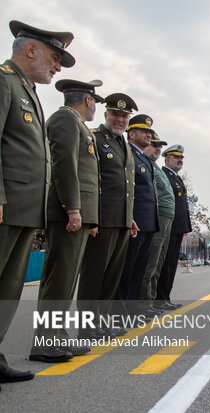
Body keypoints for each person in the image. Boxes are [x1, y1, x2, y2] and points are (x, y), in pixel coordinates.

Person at [0, 20, 75, 383]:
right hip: (6, 205)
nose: (57, 66)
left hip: (24, 209)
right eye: (54, 56)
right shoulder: (3, 81)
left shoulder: (26, 89)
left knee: (8, 290)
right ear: (31, 50)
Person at [29, 79, 103, 363]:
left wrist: (89, 215)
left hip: (79, 213)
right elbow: (64, 166)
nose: (94, 106)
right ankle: (45, 341)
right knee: (58, 278)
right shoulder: (64, 120)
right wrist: (73, 208)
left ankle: (56, 336)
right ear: (87, 101)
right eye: (95, 102)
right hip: (66, 212)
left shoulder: (77, 124)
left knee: (67, 278)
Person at [77, 93, 138, 339]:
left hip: (121, 220)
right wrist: (91, 217)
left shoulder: (123, 144)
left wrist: (130, 216)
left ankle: (100, 324)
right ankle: (87, 328)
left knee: (111, 277)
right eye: (115, 114)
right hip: (101, 220)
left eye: (124, 116)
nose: (120, 119)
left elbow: (124, 184)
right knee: (94, 276)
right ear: (106, 115)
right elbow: (90, 179)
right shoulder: (95, 138)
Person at [116, 114, 159, 315]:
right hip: (136, 222)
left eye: (150, 132)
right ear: (131, 134)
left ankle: (132, 310)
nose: (149, 135)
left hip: (148, 223)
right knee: (127, 269)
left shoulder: (142, 157)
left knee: (139, 270)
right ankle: (121, 311)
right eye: (145, 131)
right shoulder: (127, 153)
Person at [140, 134, 174, 314]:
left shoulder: (155, 167)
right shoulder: (143, 164)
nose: (157, 149)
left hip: (166, 217)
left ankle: (151, 301)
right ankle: (144, 303)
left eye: (160, 146)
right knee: (151, 262)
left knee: (158, 261)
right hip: (156, 217)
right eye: (154, 145)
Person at [156, 144, 192, 309]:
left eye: (181, 158)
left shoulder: (176, 177)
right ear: (166, 158)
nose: (179, 160)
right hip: (169, 227)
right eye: (176, 157)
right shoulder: (164, 175)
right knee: (164, 264)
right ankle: (160, 298)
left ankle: (165, 297)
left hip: (177, 227)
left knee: (171, 264)